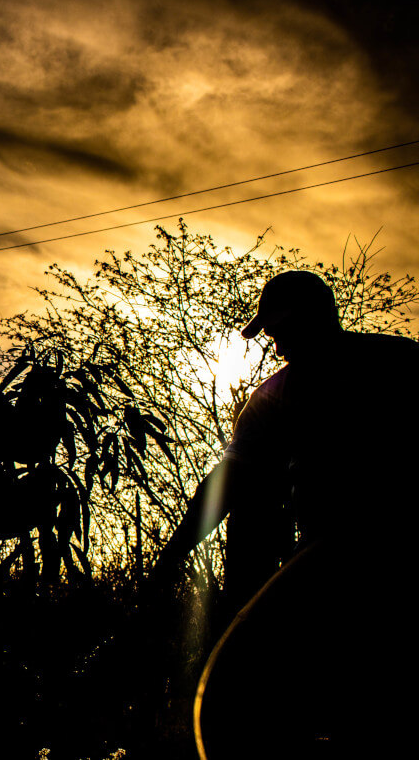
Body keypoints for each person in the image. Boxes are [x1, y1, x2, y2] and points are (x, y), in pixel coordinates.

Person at [151, 270, 419, 759]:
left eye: (277, 330)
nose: (274, 346)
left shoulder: (398, 364)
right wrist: (173, 555)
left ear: (306, 319)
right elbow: (228, 482)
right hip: (324, 557)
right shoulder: (274, 397)